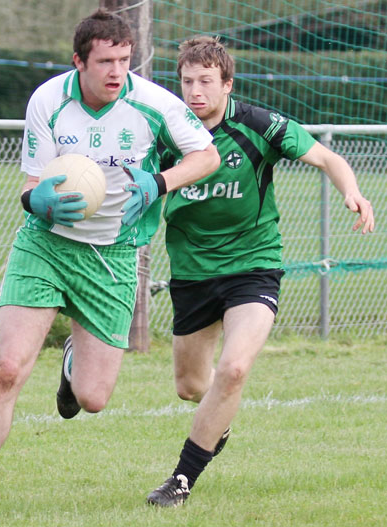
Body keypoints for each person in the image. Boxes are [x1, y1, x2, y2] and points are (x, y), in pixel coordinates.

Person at [0, 11, 219, 511]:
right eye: (106, 61)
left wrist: (158, 183)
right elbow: (30, 187)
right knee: (7, 367)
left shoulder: (153, 104)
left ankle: (72, 363)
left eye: (125, 60)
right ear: (79, 62)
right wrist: (36, 202)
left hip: (112, 256)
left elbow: (206, 155)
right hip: (45, 245)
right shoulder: (49, 100)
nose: (117, 72)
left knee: (93, 398)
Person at [146, 36, 374, 507]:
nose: (195, 91)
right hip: (192, 271)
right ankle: (218, 421)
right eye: (187, 81)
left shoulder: (259, 124)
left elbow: (326, 157)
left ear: (228, 84)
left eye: (206, 81)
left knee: (233, 368)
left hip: (254, 265)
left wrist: (352, 190)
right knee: (192, 387)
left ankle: (181, 481)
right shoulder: (168, 134)